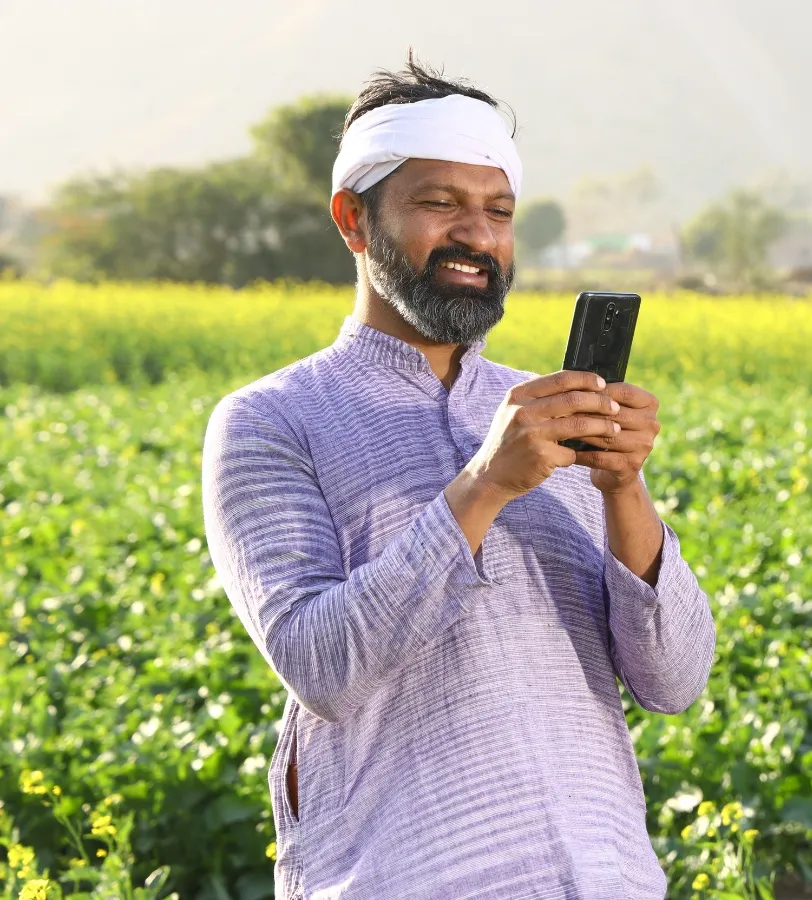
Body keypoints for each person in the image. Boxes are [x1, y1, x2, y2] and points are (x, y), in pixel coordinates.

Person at [201, 55, 715, 900]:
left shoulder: (545, 409)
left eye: (498, 210)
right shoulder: (270, 421)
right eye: (439, 204)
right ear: (353, 220)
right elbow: (322, 666)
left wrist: (623, 488)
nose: (477, 235)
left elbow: (675, 678)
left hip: (606, 872)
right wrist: (487, 484)